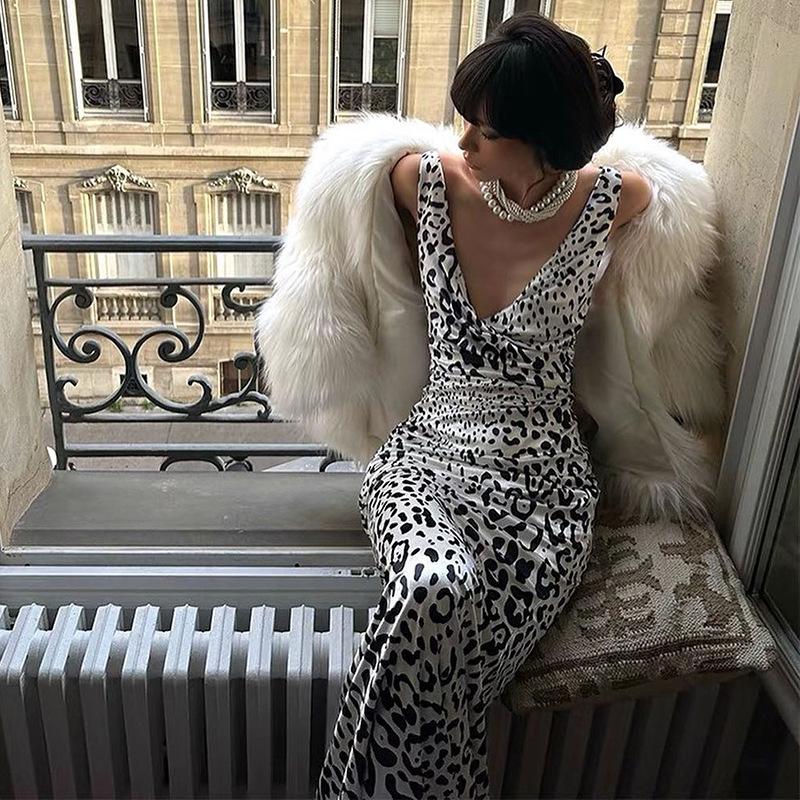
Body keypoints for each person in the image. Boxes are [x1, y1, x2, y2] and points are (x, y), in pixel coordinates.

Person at [315, 10, 652, 800]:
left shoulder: (616, 199)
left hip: (544, 492)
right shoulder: (424, 183)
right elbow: (345, 192)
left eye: (487, 131)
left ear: (545, 142)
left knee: (443, 688)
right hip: (425, 461)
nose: (462, 141)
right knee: (430, 587)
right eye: (464, 119)